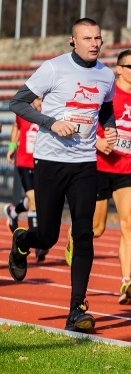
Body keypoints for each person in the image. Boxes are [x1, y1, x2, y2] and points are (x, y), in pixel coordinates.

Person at [7, 17, 117, 332]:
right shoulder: (53, 68)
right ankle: (23, 240)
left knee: (83, 234)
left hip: (84, 163)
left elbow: (107, 107)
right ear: (73, 41)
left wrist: (108, 129)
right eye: (87, 38)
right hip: (50, 161)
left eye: (98, 38)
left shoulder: (106, 75)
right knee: (50, 236)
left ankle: (77, 309)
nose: (94, 43)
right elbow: (18, 102)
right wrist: (51, 122)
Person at [69, 50, 131, 305]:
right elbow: (84, 119)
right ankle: (74, 236)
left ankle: (126, 281)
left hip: (128, 168)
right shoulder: (106, 93)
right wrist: (97, 141)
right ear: (118, 69)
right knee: (96, 229)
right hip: (99, 166)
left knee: (128, 222)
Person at [5, 99, 45, 261]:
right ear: (33, 100)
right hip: (24, 162)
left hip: (41, 164)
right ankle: (37, 243)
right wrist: (12, 147)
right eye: (38, 99)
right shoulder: (24, 113)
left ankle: (12, 212)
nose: (41, 102)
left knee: (37, 199)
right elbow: (16, 127)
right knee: (34, 198)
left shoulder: (51, 113)